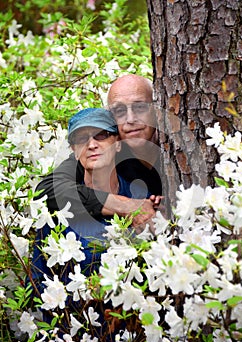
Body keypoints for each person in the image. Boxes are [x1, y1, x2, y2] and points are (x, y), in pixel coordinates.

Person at [30, 108, 155, 338]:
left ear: (117, 143)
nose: (92, 144)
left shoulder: (142, 194)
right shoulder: (57, 209)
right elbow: (40, 280)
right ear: (74, 150)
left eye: (100, 135)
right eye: (81, 139)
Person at [35, 74, 162, 227]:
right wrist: (125, 205)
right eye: (120, 111)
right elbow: (48, 189)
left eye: (140, 107)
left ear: (156, 109)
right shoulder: (106, 149)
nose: (130, 119)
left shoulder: (177, 146)